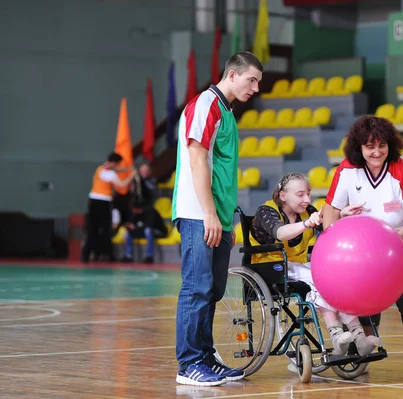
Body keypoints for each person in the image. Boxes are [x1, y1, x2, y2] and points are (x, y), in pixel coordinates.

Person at [172, 51, 263, 387]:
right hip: (198, 213)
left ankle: (205, 356)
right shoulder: (205, 105)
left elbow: (222, 172)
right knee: (196, 288)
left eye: (258, 82)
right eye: (251, 80)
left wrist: (227, 220)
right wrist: (209, 213)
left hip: (217, 217)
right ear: (233, 74)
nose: (255, 88)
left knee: (213, 290)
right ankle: (189, 364)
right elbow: (198, 162)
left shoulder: (227, 112)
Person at [323, 115, 403, 382]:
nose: (376, 152)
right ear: (359, 148)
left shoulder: (402, 171)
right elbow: (331, 209)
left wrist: (395, 239)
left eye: (382, 145)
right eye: (370, 146)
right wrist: (331, 237)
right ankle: (364, 357)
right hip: (367, 251)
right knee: (367, 299)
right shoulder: (347, 170)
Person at [251, 173, 381, 358]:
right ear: (283, 196)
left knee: (337, 278)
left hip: (298, 265)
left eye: (309, 194)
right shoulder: (266, 211)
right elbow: (280, 233)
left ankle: (359, 338)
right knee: (320, 279)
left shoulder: (306, 211)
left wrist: (341, 214)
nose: (307, 199)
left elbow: (328, 225)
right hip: (271, 267)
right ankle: (336, 335)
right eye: (301, 194)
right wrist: (306, 224)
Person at [81, 152, 135, 262]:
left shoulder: (100, 168)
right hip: (103, 203)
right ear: (114, 163)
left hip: (94, 201)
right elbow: (122, 184)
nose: (119, 166)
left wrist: (126, 169)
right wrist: (132, 175)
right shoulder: (110, 174)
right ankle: (107, 254)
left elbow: (113, 169)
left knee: (93, 228)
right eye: (118, 164)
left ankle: (89, 254)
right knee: (105, 229)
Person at [121, 162, 167, 263]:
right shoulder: (135, 207)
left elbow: (148, 225)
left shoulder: (151, 183)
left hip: (156, 230)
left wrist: (137, 178)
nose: (143, 173)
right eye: (141, 171)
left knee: (148, 231)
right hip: (142, 225)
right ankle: (128, 256)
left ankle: (149, 257)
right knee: (128, 232)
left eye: (145, 171)